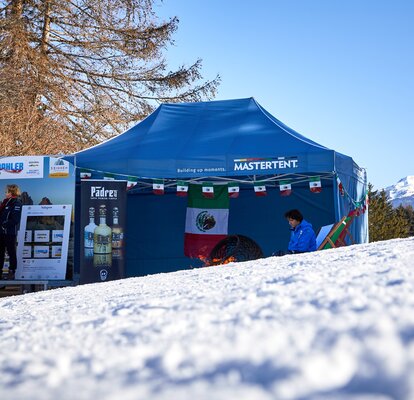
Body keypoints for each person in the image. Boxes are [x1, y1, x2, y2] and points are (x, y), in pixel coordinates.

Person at [0, 184, 22, 280]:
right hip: (1, 233)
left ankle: (12, 271)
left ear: (12, 192)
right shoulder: (5, 202)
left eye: (7, 191)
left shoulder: (16, 203)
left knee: (11, 252)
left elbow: (15, 219)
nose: (5, 193)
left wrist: (4, 224)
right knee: (0, 253)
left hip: (9, 233)